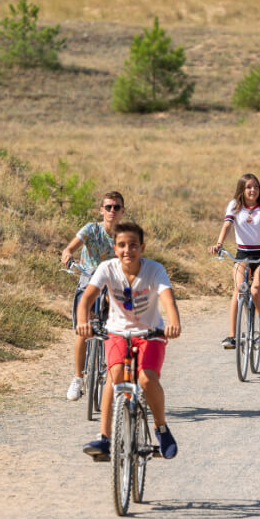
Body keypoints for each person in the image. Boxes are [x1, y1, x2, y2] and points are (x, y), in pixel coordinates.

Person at [80, 222, 181, 461]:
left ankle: (161, 428)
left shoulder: (154, 270)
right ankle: (104, 437)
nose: (128, 250)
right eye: (122, 245)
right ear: (115, 248)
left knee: (146, 378)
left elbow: (167, 299)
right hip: (117, 333)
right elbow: (86, 299)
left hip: (150, 334)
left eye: (133, 245)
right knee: (114, 375)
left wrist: (174, 323)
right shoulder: (107, 268)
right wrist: (83, 321)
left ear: (142, 247)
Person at [60, 191, 126, 401]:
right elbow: (72, 246)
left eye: (116, 207)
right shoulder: (91, 229)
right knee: (83, 328)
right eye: (108, 207)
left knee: (118, 319)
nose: (112, 211)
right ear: (101, 210)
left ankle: (116, 362)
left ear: (122, 211)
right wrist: (68, 254)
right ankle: (78, 378)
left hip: (111, 283)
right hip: (89, 281)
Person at [208, 173, 260, 349]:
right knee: (239, 290)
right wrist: (219, 244)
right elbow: (227, 225)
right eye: (249, 187)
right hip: (242, 255)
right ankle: (232, 336)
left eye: (256, 186)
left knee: (256, 291)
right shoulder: (235, 206)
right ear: (242, 190)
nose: (253, 190)